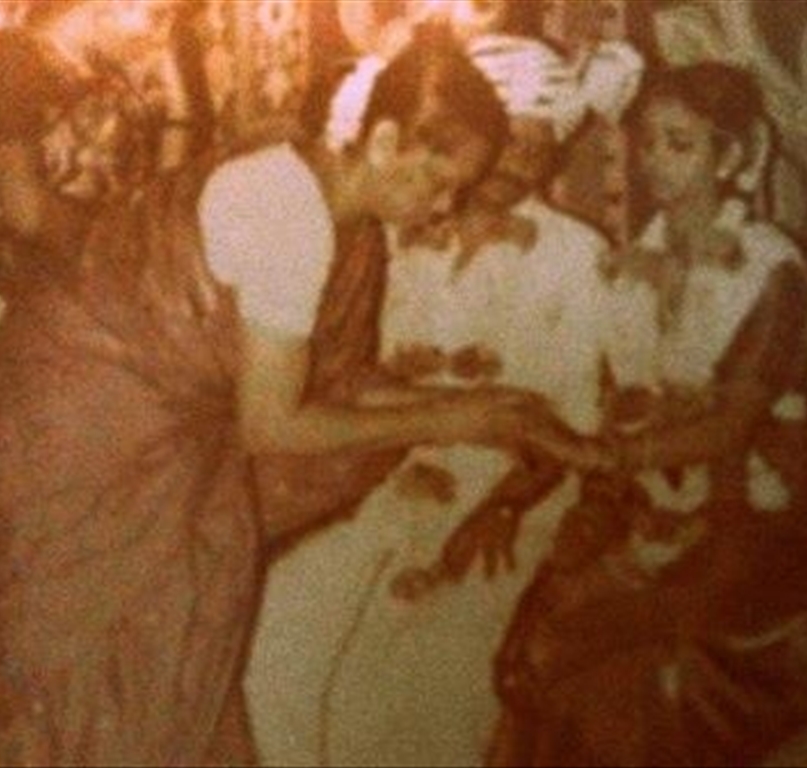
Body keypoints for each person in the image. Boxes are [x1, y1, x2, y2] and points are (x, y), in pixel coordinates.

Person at [0, 26, 581, 767]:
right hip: (74, 437)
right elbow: (273, 423)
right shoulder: (291, 216)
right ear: (382, 141)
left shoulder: (316, 198)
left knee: (159, 683)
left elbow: (325, 385)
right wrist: (462, 415)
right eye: (438, 181)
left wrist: (494, 413)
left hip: (138, 441)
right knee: (71, 697)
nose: (442, 207)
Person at [245, 34, 642, 767]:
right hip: (379, 474)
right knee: (279, 642)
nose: (523, 161)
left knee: (417, 678)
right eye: (511, 142)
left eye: (541, 144)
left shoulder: (571, 256)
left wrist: (499, 508)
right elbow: (338, 374)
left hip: (510, 489)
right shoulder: (393, 234)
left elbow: (573, 423)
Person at [487, 62, 807, 767]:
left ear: (731, 157)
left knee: (622, 673)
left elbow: (731, 428)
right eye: (648, 144)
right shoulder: (625, 269)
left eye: (682, 145)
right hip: (652, 524)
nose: (657, 165)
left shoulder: (769, 269)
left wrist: (609, 458)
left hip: (753, 533)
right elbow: (611, 408)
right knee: (529, 647)